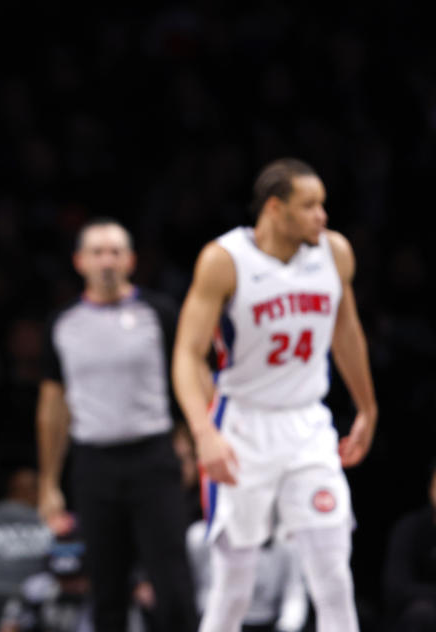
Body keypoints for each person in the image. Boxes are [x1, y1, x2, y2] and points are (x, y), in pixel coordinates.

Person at [172, 158, 377, 632]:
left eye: (322, 205)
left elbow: (347, 333)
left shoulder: (335, 252)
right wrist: (204, 433)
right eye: (309, 206)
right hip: (242, 423)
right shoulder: (224, 260)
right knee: (234, 586)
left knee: (333, 577)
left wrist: (367, 406)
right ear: (275, 209)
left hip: (308, 423)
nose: (322, 216)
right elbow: (186, 355)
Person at [36, 218, 198, 631]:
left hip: (154, 459)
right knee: (106, 588)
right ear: (79, 261)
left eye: (114, 251)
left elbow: (189, 381)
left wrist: (194, 443)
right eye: (97, 252)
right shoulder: (62, 324)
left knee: (173, 584)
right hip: (94, 465)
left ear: (130, 260)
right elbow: (53, 407)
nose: (106, 260)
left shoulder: (159, 313)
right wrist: (49, 481)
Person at [187, 519, 309, 632]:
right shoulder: (204, 537)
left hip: (265, 621)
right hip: (214, 616)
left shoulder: (285, 543)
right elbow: (192, 584)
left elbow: (294, 590)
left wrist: (288, 626)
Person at [381, 458, 436, 631]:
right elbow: (396, 588)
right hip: (420, 615)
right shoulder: (411, 528)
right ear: (431, 487)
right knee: (421, 614)